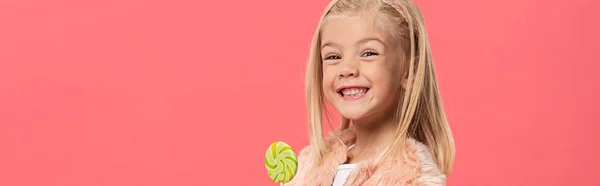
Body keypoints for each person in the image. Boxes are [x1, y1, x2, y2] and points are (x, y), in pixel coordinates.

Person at [287, 0, 455, 185]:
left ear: (410, 71)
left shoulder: (414, 178)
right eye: (333, 56)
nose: (347, 69)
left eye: (368, 53)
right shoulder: (310, 166)